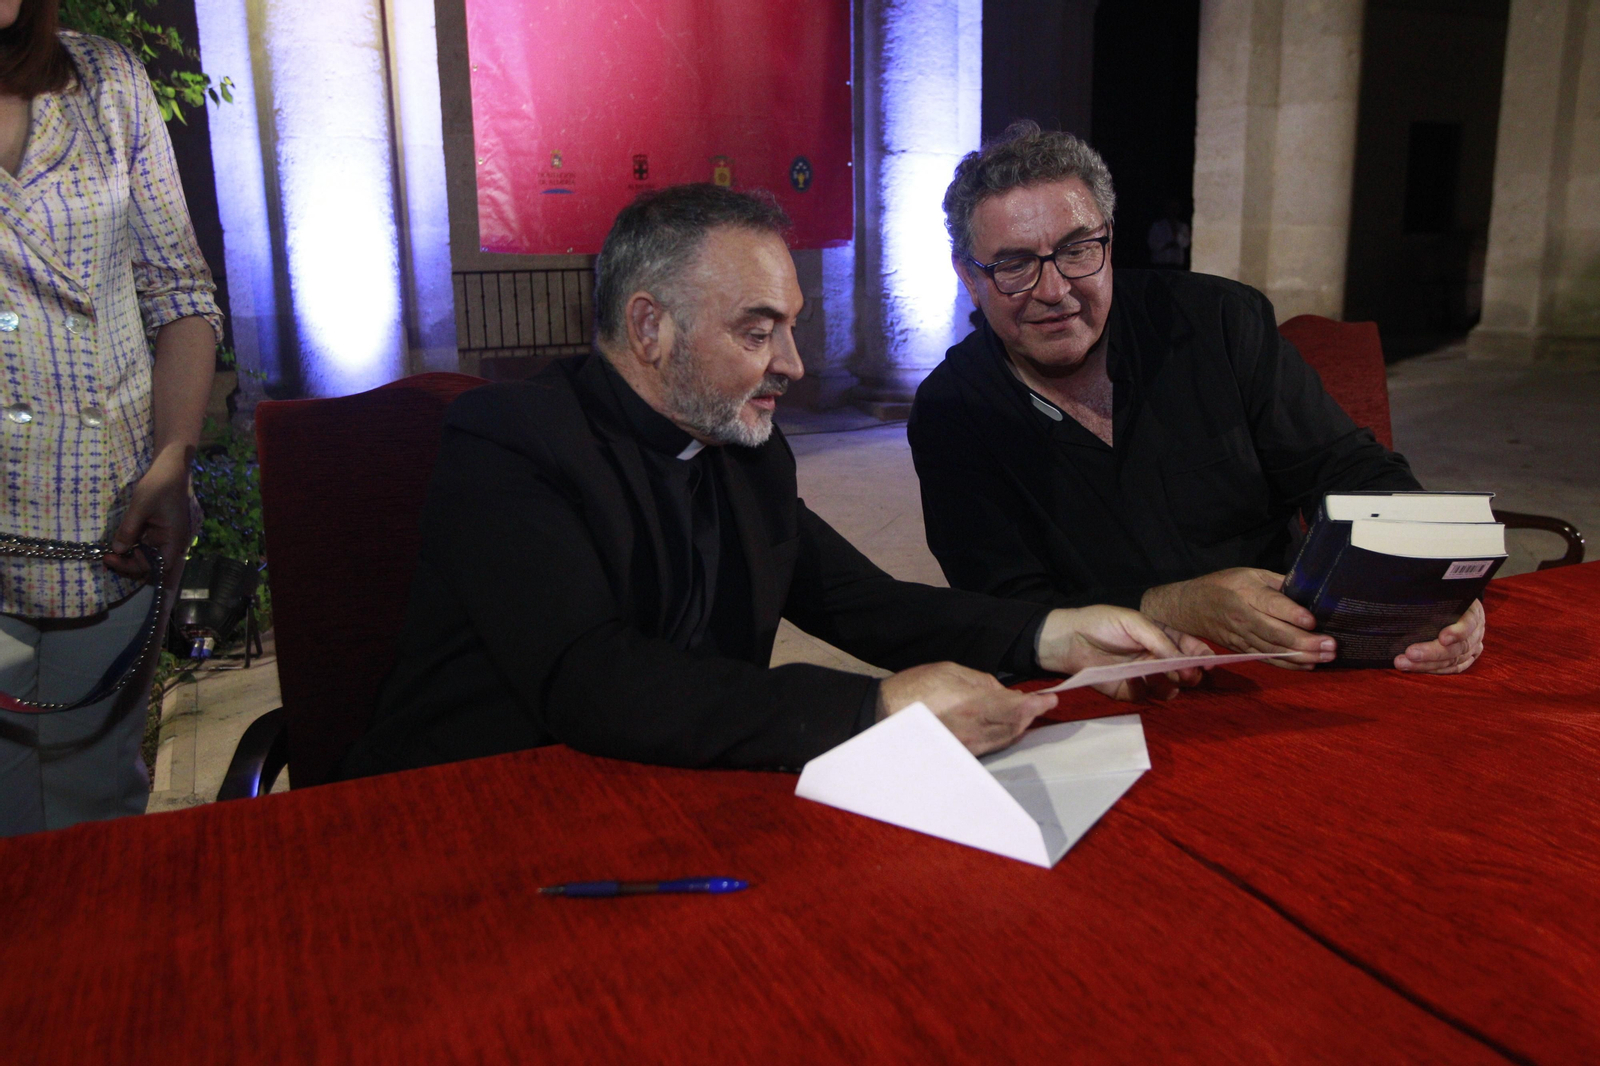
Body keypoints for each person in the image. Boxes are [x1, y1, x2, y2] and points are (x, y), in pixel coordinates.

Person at [341, 184, 1210, 779]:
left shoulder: (745, 452)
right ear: (651, 327)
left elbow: (866, 604)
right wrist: (873, 709)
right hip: (463, 810)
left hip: (672, 793)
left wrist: (1054, 636)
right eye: (759, 332)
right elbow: (591, 680)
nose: (792, 365)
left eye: (790, 327)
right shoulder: (509, 441)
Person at [907, 122, 1485, 674]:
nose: (1054, 291)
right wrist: (1173, 606)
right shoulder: (952, 412)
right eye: (1014, 265)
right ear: (969, 279)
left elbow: (1350, 467)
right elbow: (1003, 608)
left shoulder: (1219, 322)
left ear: (1109, 240)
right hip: (1103, 685)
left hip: (1289, 655)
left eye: (1078, 249)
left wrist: (1427, 578)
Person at [0, 5, 221, 836]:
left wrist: (174, 458)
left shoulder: (105, 80)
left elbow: (180, 292)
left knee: (104, 820)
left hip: (116, 528)